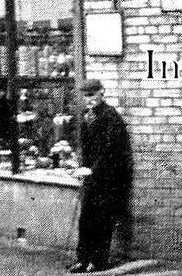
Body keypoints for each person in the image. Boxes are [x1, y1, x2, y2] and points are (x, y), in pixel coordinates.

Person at [69, 79, 133, 273]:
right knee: (86, 218)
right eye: (85, 96)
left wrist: (93, 170)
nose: (88, 100)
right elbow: (85, 147)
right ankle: (82, 259)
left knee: (102, 220)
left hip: (110, 179)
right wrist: (81, 165)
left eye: (91, 95)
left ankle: (98, 261)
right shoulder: (86, 116)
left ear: (101, 93)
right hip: (91, 177)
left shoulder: (111, 116)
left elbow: (111, 150)